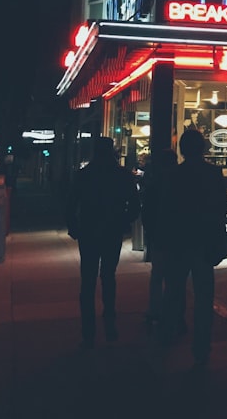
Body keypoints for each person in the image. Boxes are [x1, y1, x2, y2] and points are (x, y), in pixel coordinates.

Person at [153, 129, 227, 368]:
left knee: (174, 291)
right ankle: (201, 347)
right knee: (204, 297)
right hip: (204, 240)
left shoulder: (173, 175)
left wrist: (163, 240)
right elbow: (220, 210)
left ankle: (167, 333)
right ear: (203, 148)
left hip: (179, 241)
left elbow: (164, 210)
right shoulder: (213, 174)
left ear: (183, 150)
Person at [65, 137, 141, 348]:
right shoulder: (122, 175)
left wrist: (74, 227)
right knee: (108, 276)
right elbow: (135, 206)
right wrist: (123, 221)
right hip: (112, 231)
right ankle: (110, 323)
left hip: (89, 231)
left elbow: (71, 203)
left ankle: (88, 331)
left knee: (87, 280)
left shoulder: (85, 175)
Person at [139, 148, 177, 328]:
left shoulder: (155, 183)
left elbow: (146, 211)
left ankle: (155, 310)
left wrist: (150, 232)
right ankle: (173, 312)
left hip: (159, 235)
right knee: (175, 276)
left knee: (158, 275)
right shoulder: (181, 182)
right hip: (177, 236)